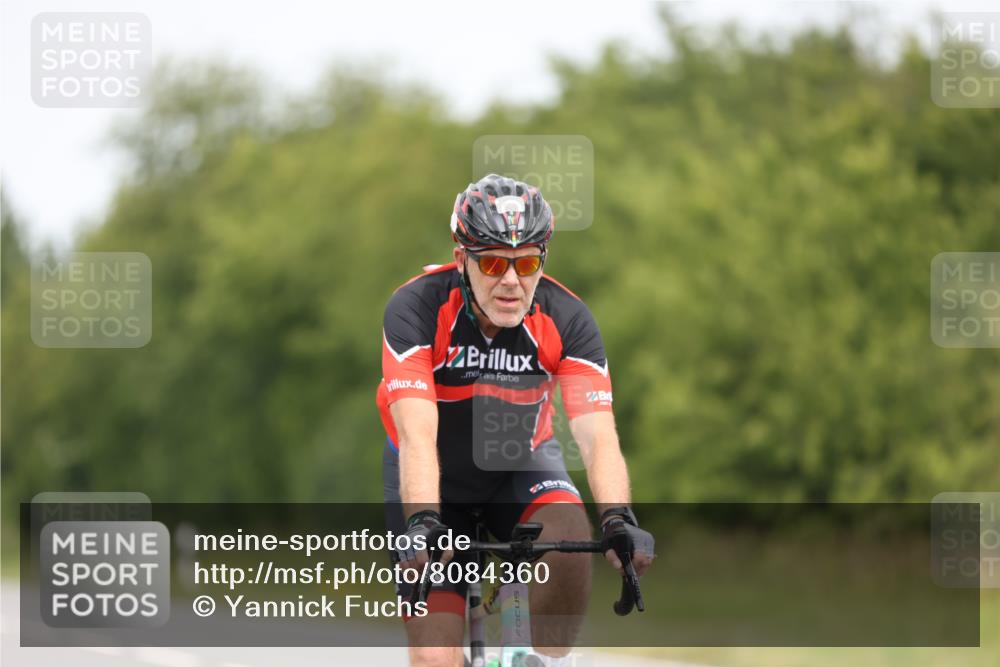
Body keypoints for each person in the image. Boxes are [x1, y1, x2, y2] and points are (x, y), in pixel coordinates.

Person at [377, 174, 654, 667]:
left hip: (521, 464)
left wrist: (619, 517)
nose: (511, 280)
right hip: (433, 478)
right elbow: (417, 435)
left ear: (542, 260)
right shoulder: (417, 308)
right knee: (434, 657)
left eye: (526, 263)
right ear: (461, 258)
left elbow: (597, 435)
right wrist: (422, 520)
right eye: (492, 263)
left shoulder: (567, 318)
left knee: (568, 539)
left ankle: (540, 659)